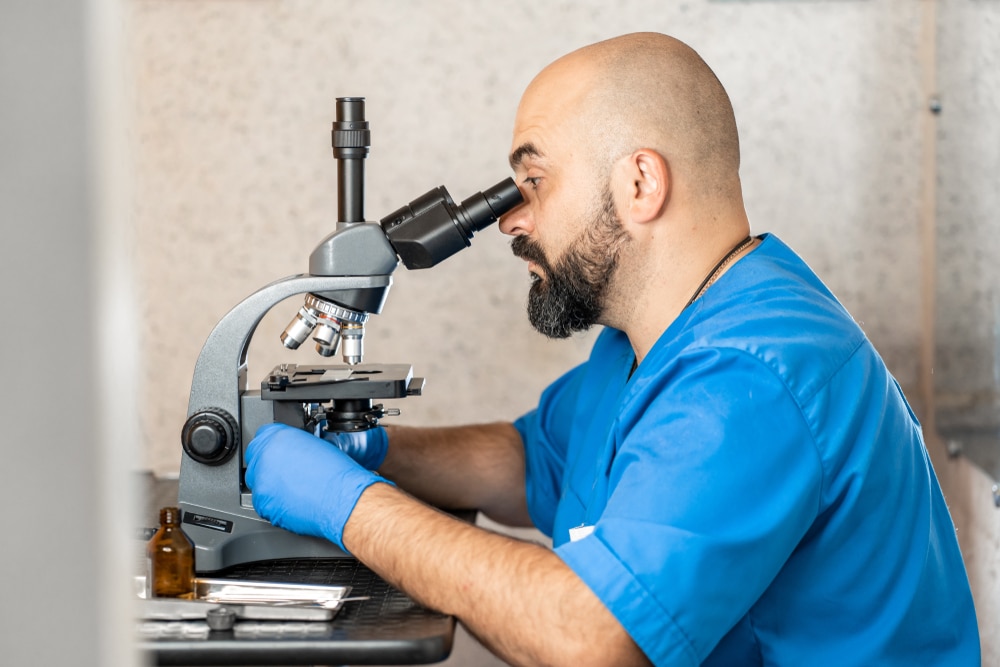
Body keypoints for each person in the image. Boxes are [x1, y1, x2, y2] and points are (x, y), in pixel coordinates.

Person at [244, 32, 980, 666]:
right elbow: (539, 461)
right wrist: (370, 448)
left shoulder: (750, 375)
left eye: (532, 182)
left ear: (639, 183)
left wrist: (349, 505)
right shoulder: (652, 340)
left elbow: (594, 640)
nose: (510, 221)